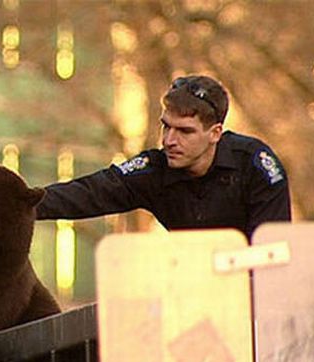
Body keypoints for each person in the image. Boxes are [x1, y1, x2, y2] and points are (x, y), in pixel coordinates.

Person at [36, 75, 291, 241]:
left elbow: (273, 253)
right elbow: (89, 193)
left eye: (184, 131)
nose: (169, 140)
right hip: (189, 295)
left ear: (215, 133)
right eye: (166, 126)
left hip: (257, 303)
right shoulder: (155, 169)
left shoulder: (256, 167)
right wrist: (20, 204)